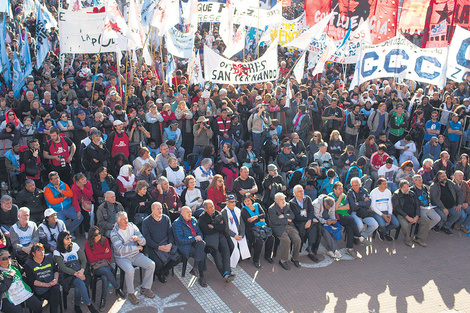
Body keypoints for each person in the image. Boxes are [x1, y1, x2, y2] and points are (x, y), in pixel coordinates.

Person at [110, 212, 155, 305]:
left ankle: (145, 288)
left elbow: (144, 242)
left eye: (126, 218)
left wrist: (138, 239)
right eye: (123, 219)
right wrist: (136, 247)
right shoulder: (114, 233)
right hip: (122, 258)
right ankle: (131, 293)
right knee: (130, 270)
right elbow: (121, 250)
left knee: (151, 264)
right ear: (118, 222)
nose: (126, 221)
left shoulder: (132, 226)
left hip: (135, 255)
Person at [54, 231, 99, 313]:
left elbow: (83, 260)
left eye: (70, 237)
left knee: (79, 284)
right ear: (61, 240)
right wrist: (77, 274)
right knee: (80, 282)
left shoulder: (75, 246)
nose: (69, 240)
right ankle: (89, 305)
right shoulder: (57, 252)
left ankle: (77, 305)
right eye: (67, 238)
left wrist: (81, 271)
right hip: (67, 275)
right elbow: (63, 268)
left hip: (79, 271)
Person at [85, 226, 126, 310]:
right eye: (96, 234)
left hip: (105, 263)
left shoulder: (105, 240)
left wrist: (97, 256)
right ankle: (118, 288)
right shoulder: (87, 245)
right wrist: (103, 255)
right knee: (106, 272)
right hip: (95, 267)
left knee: (104, 277)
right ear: (92, 236)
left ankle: (103, 300)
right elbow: (91, 259)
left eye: (99, 233)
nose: (99, 235)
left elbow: (109, 255)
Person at [142, 202, 181, 283]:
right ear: (152, 210)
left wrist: (170, 244)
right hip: (154, 246)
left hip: (166, 243)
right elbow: (147, 239)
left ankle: (161, 272)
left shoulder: (166, 218)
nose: (160, 211)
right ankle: (160, 272)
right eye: (158, 209)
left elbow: (170, 233)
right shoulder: (146, 222)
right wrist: (159, 247)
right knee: (159, 263)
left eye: (161, 209)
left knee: (177, 258)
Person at [198, 200, 235, 282]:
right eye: (210, 207)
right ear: (205, 209)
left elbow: (223, 226)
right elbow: (206, 231)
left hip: (220, 236)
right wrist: (218, 226)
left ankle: (227, 271)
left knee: (226, 251)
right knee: (216, 254)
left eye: (213, 206)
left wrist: (213, 226)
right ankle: (224, 273)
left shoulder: (218, 213)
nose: (212, 209)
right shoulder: (202, 218)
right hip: (211, 239)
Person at [172, 206, 207, 287]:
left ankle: (195, 268)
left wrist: (199, 237)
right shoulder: (177, 223)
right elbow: (180, 239)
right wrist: (194, 238)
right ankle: (201, 276)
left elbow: (199, 232)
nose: (190, 214)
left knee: (201, 244)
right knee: (202, 253)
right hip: (185, 246)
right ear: (182, 213)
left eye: (190, 212)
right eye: (187, 212)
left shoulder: (193, 220)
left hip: (195, 243)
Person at [0, 249, 42, 313]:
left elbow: (23, 272)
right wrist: (10, 276)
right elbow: (2, 288)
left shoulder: (14, 264)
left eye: (9, 257)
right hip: (7, 297)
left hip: (21, 291)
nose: (8, 260)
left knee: (38, 305)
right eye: (4, 258)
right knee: (18, 311)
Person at [268, 193, 301, 270]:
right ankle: (283, 260)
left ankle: (295, 258)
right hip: (278, 228)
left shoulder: (287, 205)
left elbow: (292, 216)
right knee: (287, 241)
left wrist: (284, 216)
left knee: (297, 239)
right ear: (276, 201)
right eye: (281, 199)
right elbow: (275, 221)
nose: (284, 201)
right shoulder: (271, 209)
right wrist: (287, 220)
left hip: (289, 226)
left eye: (284, 199)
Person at [392, 180, 431, 247]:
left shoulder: (412, 194)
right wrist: (407, 217)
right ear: (400, 188)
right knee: (405, 226)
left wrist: (417, 216)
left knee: (426, 221)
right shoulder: (396, 195)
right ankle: (408, 239)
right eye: (404, 187)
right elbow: (397, 209)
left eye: (408, 187)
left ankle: (418, 238)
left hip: (413, 214)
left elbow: (417, 205)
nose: (407, 189)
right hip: (402, 215)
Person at [24, 243, 60, 313]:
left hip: (52, 284)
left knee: (55, 290)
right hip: (40, 287)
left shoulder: (49, 257)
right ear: (33, 253)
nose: (42, 252)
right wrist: (46, 285)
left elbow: (55, 270)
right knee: (54, 295)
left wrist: (55, 279)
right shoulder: (28, 264)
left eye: (43, 250)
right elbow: (32, 281)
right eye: (39, 251)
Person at [241, 194, 274, 268]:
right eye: (245, 201)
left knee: (271, 238)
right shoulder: (244, 210)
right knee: (258, 241)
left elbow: (264, 214)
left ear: (252, 200)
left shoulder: (257, 205)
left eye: (248, 200)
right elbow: (249, 222)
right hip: (252, 229)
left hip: (262, 227)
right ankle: (256, 260)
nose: (247, 202)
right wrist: (260, 218)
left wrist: (256, 217)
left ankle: (267, 256)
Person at [429, 170, 463, 235]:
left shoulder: (449, 183)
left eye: (445, 176)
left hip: (451, 205)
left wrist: (459, 204)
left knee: (458, 213)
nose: (444, 178)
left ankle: (445, 227)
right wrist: (443, 208)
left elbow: (459, 192)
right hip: (439, 207)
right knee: (443, 216)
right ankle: (437, 226)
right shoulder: (434, 186)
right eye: (442, 177)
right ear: (438, 178)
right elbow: (435, 198)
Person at [221, 195, 250, 268]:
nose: (234, 203)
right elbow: (226, 228)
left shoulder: (237, 210)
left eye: (234, 202)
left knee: (244, 241)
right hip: (230, 234)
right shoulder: (224, 212)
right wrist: (234, 235)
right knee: (233, 246)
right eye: (231, 202)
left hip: (239, 232)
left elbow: (242, 223)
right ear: (227, 203)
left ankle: (241, 256)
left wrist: (242, 234)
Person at [312, 195, 344, 259]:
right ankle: (335, 250)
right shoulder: (316, 204)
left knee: (336, 228)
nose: (329, 209)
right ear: (324, 203)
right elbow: (316, 217)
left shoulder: (332, 202)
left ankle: (330, 249)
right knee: (325, 231)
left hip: (327, 220)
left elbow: (332, 213)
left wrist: (333, 220)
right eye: (327, 207)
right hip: (317, 222)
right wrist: (326, 221)